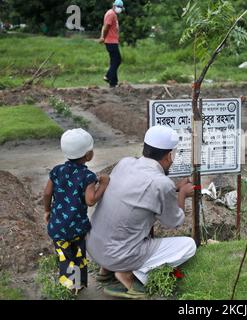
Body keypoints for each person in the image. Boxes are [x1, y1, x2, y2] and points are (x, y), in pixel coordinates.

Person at [86, 125, 196, 299]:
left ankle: (105, 272)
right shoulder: (161, 183)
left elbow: (139, 195)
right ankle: (132, 278)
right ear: (168, 156)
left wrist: (174, 189)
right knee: (189, 246)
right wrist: (183, 194)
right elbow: (174, 222)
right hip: (118, 256)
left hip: (93, 247)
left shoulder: (125, 163)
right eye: (172, 156)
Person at [43, 129, 110, 294]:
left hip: (58, 226)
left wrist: (46, 210)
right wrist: (103, 184)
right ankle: (77, 284)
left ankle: (68, 285)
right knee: (79, 254)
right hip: (77, 228)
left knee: (64, 255)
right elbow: (91, 200)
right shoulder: (87, 176)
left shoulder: (57, 171)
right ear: (88, 155)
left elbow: (46, 193)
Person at [99, 0, 125, 88]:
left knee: (114, 61)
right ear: (114, 6)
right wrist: (103, 37)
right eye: (119, 7)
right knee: (117, 60)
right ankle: (108, 76)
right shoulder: (111, 14)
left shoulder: (113, 14)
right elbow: (106, 27)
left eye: (121, 7)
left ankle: (113, 82)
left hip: (113, 40)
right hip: (110, 41)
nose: (120, 9)